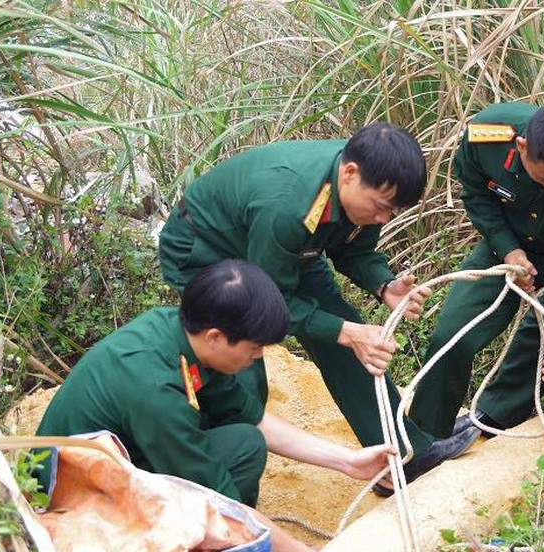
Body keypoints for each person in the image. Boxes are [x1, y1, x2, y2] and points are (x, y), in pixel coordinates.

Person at [157, 123, 480, 494]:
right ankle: (215, 480)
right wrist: (346, 333)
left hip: (288, 250)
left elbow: (354, 250)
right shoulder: (288, 202)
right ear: (350, 173)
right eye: (380, 207)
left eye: (392, 210)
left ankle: (404, 456)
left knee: (350, 339)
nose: (384, 219)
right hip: (206, 249)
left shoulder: (365, 187)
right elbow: (273, 301)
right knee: (243, 363)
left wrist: (383, 285)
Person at [37, 260, 387, 552]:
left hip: (119, 458)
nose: (256, 357)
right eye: (254, 348)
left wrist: (348, 462)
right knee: (222, 500)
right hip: (72, 499)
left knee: (245, 444)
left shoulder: (183, 337)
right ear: (217, 337)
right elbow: (219, 501)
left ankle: (227, 544)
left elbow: (255, 421)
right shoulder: (155, 391)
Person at [407, 101, 544, 442]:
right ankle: (423, 442)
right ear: (521, 147)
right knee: (450, 336)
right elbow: (476, 194)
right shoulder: (486, 138)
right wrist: (508, 247)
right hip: (506, 248)